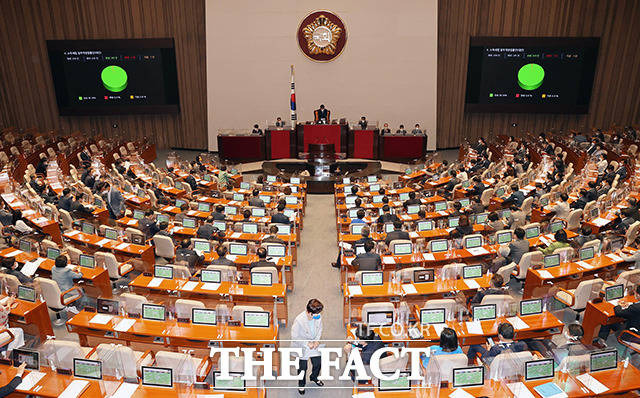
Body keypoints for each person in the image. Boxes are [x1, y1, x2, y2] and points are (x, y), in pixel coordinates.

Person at [291, 299, 324, 394]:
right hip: (302, 345)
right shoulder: (299, 320)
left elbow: (320, 329)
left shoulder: (317, 315)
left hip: (313, 344)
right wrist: (306, 343)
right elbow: (294, 337)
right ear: (309, 313)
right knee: (302, 368)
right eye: (316, 314)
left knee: (318, 363)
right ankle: (301, 385)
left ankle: (314, 377)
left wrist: (317, 340)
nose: (319, 315)